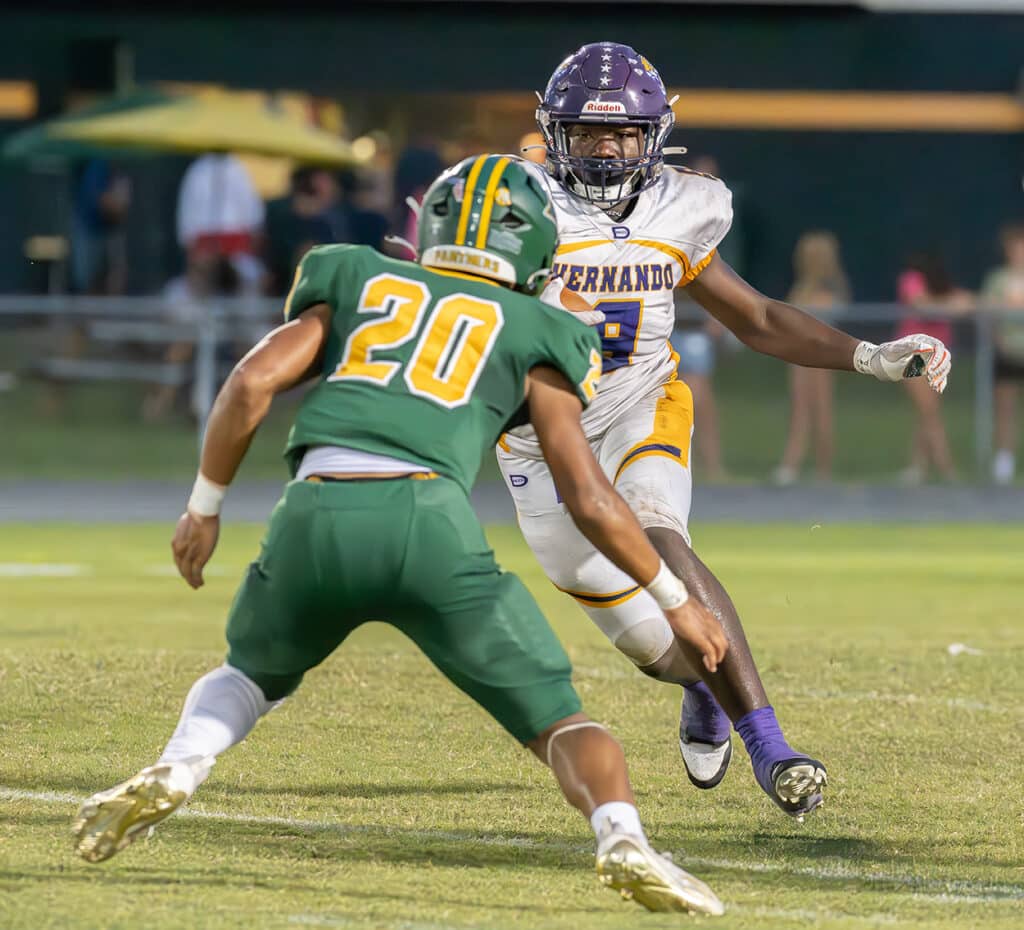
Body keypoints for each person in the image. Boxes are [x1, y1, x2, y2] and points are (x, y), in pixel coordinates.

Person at [72, 158, 728, 917]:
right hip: (428, 524)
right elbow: (588, 497)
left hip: (312, 511)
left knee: (249, 676)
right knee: (561, 722)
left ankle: (180, 768)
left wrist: (204, 507)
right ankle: (622, 840)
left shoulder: (358, 278)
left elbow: (251, 383)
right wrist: (675, 600)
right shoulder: (539, 324)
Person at [497, 41, 952, 819]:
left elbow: (760, 318)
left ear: (656, 136)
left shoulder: (684, 205)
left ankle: (771, 746)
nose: (605, 151)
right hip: (541, 439)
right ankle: (702, 691)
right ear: (554, 134)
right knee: (662, 653)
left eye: (623, 135)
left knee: (658, 528)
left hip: (644, 400)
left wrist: (871, 356)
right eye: (586, 134)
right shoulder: (516, 208)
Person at [772, 232, 851, 485]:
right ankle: (794, 463)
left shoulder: (829, 288)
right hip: (799, 353)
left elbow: (824, 312)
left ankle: (820, 467)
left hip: (820, 354)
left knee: (820, 407)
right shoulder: (802, 287)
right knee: (801, 407)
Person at [895, 255, 972, 485]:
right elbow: (922, 306)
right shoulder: (911, 279)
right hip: (914, 353)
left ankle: (918, 468)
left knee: (927, 413)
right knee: (929, 411)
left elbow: (966, 303)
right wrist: (948, 305)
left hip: (938, 355)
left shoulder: (943, 288)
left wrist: (949, 304)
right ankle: (946, 468)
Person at [981, 223, 1024, 484]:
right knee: (1005, 409)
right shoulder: (998, 279)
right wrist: (999, 342)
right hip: (1008, 353)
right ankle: (1003, 464)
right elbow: (989, 313)